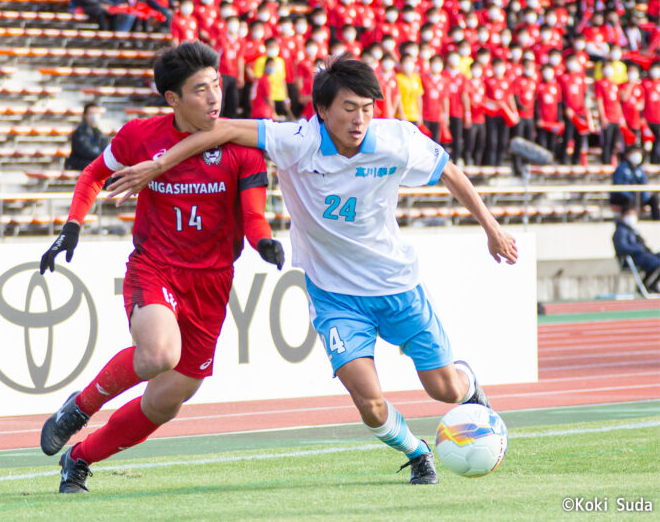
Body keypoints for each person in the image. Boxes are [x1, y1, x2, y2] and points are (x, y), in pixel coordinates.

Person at [107, 55, 519, 485]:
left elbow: (450, 172)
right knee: (371, 405)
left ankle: (469, 385)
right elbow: (224, 128)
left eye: (367, 108)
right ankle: (417, 453)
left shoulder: (396, 139)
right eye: (348, 108)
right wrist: (158, 165)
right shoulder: (298, 141)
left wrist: (491, 228)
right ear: (323, 110)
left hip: (397, 285)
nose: (360, 119)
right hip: (335, 296)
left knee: (445, 391)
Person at [37, 42, 285, 494]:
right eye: (200, 90)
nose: (214, 99)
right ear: (172, 99)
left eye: (217, 86)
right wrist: (73, 224)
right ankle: (79, 407)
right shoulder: (140, 136)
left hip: (212, 284)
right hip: (155, 268)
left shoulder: (240, 145)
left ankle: (79, 458)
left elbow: (253, 213)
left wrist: (264, 241)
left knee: (166, 402)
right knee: (157, 355)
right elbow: (93, 174)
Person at [613, 207, 660, 292]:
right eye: (630, 215)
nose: (632, 218)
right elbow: (622, 248)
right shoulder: (620, 231)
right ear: (624, 216)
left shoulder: (632, 230)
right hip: (632, 259)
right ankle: (644, 286)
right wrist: (639, 248)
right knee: (655, 262)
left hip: (642, 256)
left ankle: (651, 285)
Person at [610, 146, 660, 220]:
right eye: (634, 153)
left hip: (637, 197)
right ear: (628, 155)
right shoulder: (621, 168)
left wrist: (644, 198)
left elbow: (644, 185)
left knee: (654, 198)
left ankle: (656, 219)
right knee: (628, 200)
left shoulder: (640, 170)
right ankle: (628, 219)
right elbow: (618, 186)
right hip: (623, 196)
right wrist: (632, 196)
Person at [66, 103, 109, 171]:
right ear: (85, 115)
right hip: (81, 163)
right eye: (91, 113)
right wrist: (102, 156)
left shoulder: (98, 132)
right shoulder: (80, 132)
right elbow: (86, 151)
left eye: (96, 113)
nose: (94, 116)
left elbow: (105, 148)